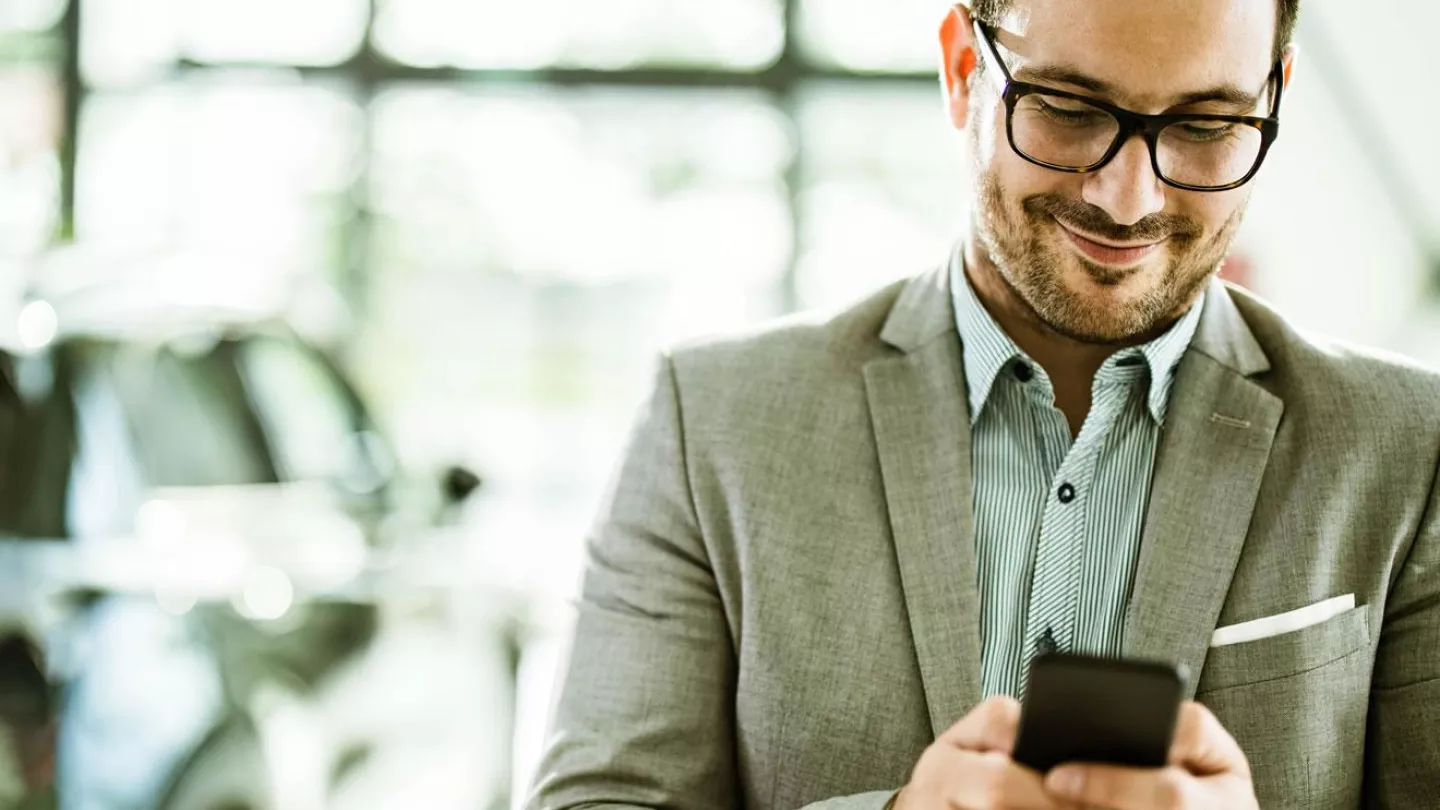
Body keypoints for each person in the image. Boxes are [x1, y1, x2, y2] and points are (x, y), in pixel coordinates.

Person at [526, 0, 1440, 807]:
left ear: (1274, 95)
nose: (1128, 199)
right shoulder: (713, 421)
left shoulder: (1411, 448)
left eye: (1207, 124)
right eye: (1070, 111)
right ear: (965, 69)